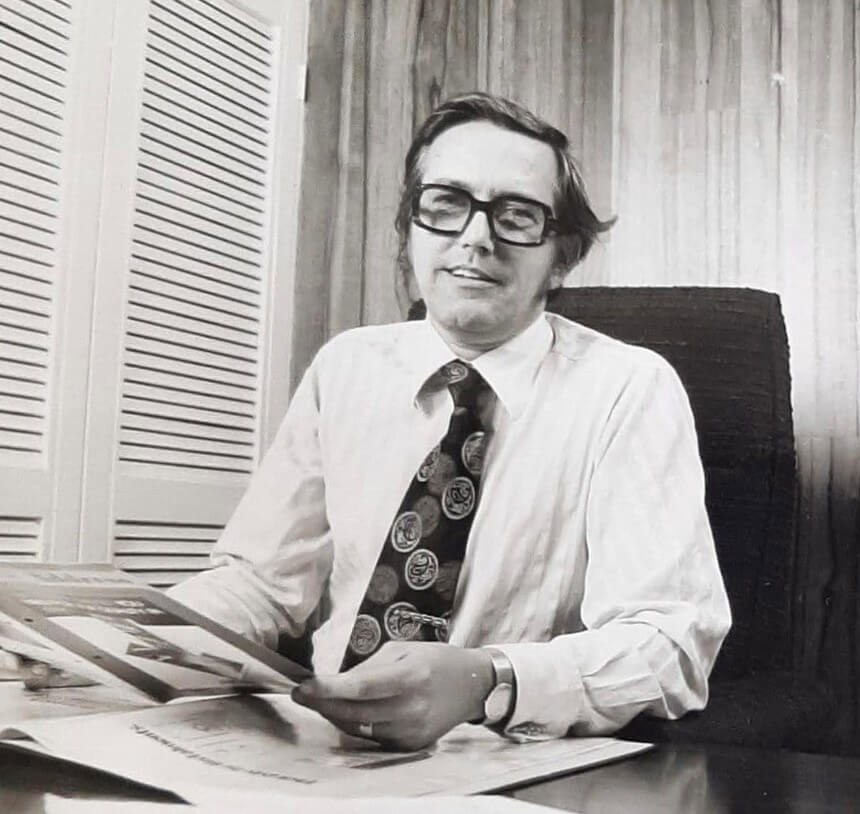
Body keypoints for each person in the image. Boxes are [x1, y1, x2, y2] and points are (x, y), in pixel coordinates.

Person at [167, 92, 731, 751]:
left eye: (517, 215)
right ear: (411, 227)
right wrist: (115, 645)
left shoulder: (629, 388)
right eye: (445, 205)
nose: (475, 237)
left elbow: (671, 645)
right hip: (317, 743)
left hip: (505, 753)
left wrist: (487, 678)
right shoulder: (345, 367)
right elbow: (260, 584)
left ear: (563, 255)